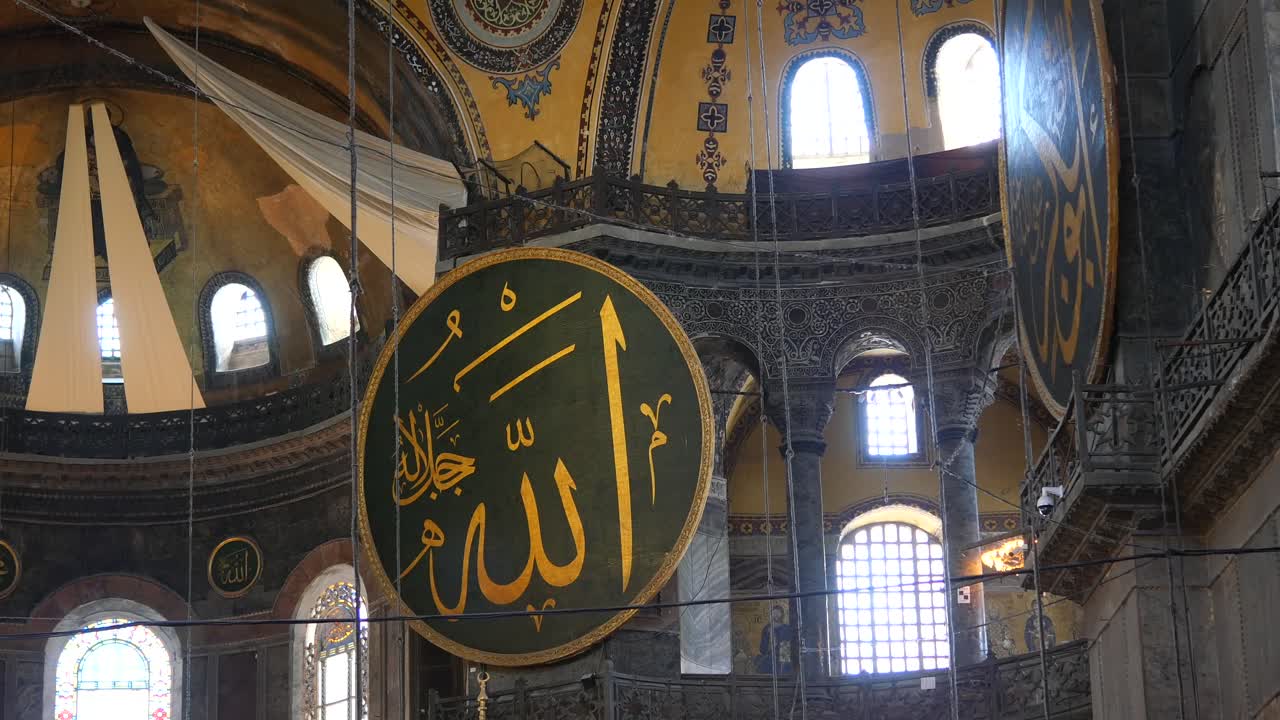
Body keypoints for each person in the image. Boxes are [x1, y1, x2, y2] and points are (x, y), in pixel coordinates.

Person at [755, 604, 794, 674]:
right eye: (774, 613)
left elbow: (785, 651)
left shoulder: (785, 628)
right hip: (769, 658)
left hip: (781, 658)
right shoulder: (767, 628)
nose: (775, 615)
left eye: (778, 613)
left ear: (782, 614)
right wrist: (768, 635)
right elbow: (762, 649)